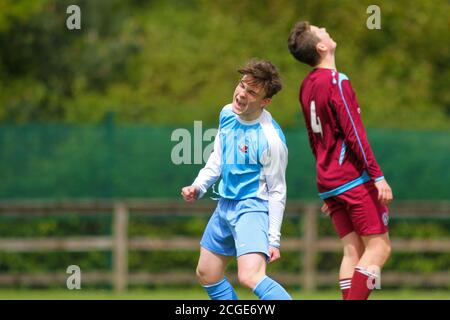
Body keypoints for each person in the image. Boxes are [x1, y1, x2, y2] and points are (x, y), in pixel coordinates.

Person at [288, 21, 393, 300]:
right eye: (320, 29)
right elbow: (354, 134)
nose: (325, 28)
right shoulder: (336, 81)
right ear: (321, 46)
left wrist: (328, 181)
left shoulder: (306, 85)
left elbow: (315, 139)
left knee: (353, 250)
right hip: (352, 178)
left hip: (330, 181)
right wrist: (377, 175)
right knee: (379, 248)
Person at [181, 59, 292, 300]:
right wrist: (199, 186)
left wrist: (273, 239)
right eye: (242, 85)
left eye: (251, 92)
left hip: (253, 207)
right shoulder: (227, 113)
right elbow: (219, 157)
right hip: (225, 205)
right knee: (207, 272)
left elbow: (277, 191)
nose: (241, 94)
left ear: (265, 101)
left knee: (250, 276)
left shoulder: (271, 139)